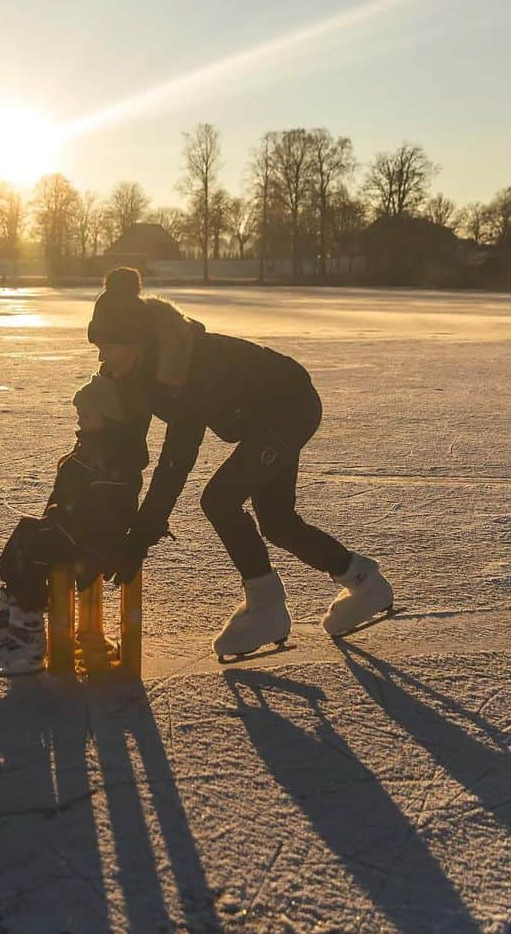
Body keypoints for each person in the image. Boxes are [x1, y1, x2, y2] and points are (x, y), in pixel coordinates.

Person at [87, 267, 393, 656]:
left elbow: (176, 461)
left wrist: (142, 536)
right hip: (264, 418)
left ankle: (266, 606)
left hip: (291, 407)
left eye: (108, 345)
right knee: (279, 523)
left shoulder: (190, 369)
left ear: (135, 343)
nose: (101, 356)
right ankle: (363, 580)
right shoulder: (144, 371)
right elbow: (129, 442)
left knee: (219, 500)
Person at [0, 370, 151, 677]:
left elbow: (109, 513)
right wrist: (54, 523)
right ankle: (13, 613)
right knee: (25, 534)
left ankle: (27, 638)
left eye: (86, 412)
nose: (80, 417)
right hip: (72, 532)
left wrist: (71, 532)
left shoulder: (113, 457)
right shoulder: (89, 450)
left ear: (108, 416)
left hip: (92, 542)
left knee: (32, 547)